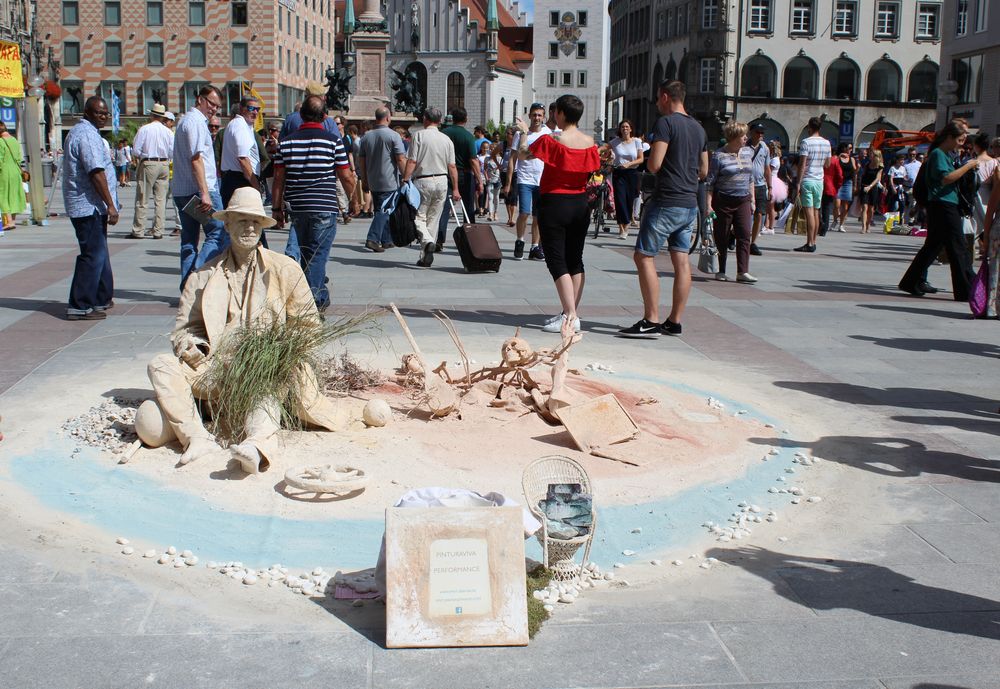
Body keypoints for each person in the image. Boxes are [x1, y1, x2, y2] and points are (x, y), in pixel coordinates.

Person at [147, 186, 343, 471]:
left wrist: (277, 353)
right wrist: (192, 346)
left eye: (255, 222)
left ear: (263, 227)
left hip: (265, 371)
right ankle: (197, 439)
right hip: (214, 370)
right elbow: (184, 330)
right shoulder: (202, 277)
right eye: (241, 220)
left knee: (265, 389)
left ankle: (257, 445)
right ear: (226, 225)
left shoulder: (285, 269)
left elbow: (309, 326)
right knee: (161, 365)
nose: (249, 228)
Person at [619, 80, 708, 338]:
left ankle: (651, 318)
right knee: (681, 261)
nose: (657, 103)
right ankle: (674, 321)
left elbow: (655, 164)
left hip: (667, 199)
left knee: (643, 256)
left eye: (658, 99)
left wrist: (652, 160)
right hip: (689, 203)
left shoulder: (666, 123)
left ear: (667, 97)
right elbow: (704, 171)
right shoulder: (698, 128)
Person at [513, 95, 599, 337]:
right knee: (575, 259)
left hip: (555, 203)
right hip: (580, 204)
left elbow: (522, 155)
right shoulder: (589, 142)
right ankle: (571, 313)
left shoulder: (552, 139)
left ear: (560, 113)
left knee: (556, 259)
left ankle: (570, 316)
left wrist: (522, 132)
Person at [271, 96, 357, 311]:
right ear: (324, 116)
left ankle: (315, 295)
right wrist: (354, 200)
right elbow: (346, 176)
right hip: (324, 207)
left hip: (298, 207)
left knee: (307, 255)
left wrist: (276, 209)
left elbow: (279, 179)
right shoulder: (333, 140)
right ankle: (314, 302)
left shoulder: (287, 142)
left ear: (301, 115)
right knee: (317, 256)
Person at [898, 121, 979, 299]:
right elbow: (946, 178)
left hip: (943, 204)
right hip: (943, 205)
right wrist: (968, 166)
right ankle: (965, 289)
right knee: (957, 247)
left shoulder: (944, 154)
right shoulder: (938, 154)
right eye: (960, 139)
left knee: (934, 246)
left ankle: (910, 281)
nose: (961, 143)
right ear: (949, 137)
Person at [62, 96, 119, 320]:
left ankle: (101, 297)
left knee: (99, 252)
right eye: (98, 113)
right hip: (88, 206)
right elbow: (95, 172)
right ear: (87, 112)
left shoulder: (87, 133)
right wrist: (111, 205)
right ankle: (80, 304)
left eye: (105, 113)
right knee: (92, 254)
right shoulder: (86, 135)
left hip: (92, 205)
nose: (103, 116)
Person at [172, 85, 229, 288]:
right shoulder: (195, 122)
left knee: (189, 241)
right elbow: (196, 160)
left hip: (182, 190)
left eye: (217, 106)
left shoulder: (184, 121)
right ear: (200, 99)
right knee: (218, 232)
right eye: (211, 103)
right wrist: (205, 193)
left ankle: (187, 286)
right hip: (198, 191)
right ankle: (194, 280)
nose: (214, 109)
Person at [400, 107, 461, 268]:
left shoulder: (419, 135)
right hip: (442, 180)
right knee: (433, 219)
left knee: (418, 216)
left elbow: (412, 161)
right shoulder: (446, 140)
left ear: (426, 119)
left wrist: (405, 179)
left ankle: (427, 242)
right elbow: (452, 166)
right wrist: (455, 188)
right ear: (439, 121)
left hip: (423, 180)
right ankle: (425, 254)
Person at [706, 121, 756, 283]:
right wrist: (708, 205)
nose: (746, 138)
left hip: (743, 199)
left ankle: (743, 271)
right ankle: (720, 270)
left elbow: (751, 178)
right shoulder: (719, 155)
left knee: (744, 234)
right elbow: (710, 183)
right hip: (723, 200)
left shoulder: (748, 152)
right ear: (734, 137)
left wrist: (752, 199)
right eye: (743, 136)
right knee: (722, 235)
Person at [357, 106, 406, 252]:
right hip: (389, 179)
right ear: (388, 117)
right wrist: (406, 177)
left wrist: (365, 179)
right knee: (384, 210)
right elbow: (400, 159)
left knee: (381, 208)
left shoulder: (366, 137)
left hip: (373, 179)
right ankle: (372, 238)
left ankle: (386, 240)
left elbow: (362, 161)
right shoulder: (393, 136)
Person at [506, 103, 551, 260]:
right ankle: (520, 241)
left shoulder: (548, 133)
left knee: (538, 216)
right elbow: (513, 158)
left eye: (539, 115)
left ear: (544, 117)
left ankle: (535, 247)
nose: (537, 118)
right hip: (525, 178)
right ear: (529, 116)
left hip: (542, 179)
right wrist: (508, 181)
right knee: (524, 212)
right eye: (534, 115)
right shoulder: (521, 134)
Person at [436, 107, 482, 250]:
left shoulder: (443, 134)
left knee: (444, 208)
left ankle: (439, 239)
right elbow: (473, 160)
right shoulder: (468, 136)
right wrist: (480, 180)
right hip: (465, 173)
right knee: (468, 207)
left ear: (452, 119)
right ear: (466, 119)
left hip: (446, 173)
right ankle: (471, 239)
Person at [129, 103, 174, 239]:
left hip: (148, 163)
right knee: (160, 200)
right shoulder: (168, 131)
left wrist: (143, 155)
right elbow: (172, 151)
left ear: (151, 115)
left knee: (143, 198)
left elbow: (136, 150)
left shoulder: (145, 129)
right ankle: (158, 230)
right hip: (164, 163)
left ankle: (138, 230)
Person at [794, 117, 832, 252]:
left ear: (809, 127)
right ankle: (813, 241)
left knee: (809, 212)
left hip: (808, 180)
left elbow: (802, 164)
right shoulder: (827, 143)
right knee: (816, 212)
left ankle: (809, 243)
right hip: (819, 180)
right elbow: (827, 164)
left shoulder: (806, 142)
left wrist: (797, 183)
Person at [220, 97, 262, 206]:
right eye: (251, 108)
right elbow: (243, 159)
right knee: (243, 221)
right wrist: (256, 187)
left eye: (257, 109)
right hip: (240, 181)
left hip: (235, 179)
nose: (255, 112)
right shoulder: (240, 126)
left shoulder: (239, 125)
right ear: (242, 109)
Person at [609, 120, 644, 240]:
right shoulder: (615, 142)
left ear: (631, 129)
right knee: (619, 199)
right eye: (622, 127)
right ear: (620, 129)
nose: (625, 129)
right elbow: (605, 148)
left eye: (627, 127)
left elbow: (640, 159)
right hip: (619, 173)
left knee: (629, 199)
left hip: (632, 173)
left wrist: (629, 164)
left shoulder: (637, 142)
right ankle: (621, 227)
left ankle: (627, 224)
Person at [748, 123, 771, 255]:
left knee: (760, 213)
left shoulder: (765, 148)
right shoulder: (744, 147)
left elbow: (767, 168)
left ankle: (753, 242)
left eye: (762, 132)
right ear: (751, 132)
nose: (760, 134)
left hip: (760, 185)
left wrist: (770, 186)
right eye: (758, 132)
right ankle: (735, 234)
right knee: (746, 213)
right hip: (745, 185)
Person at [0, 121, 27, 233]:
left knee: (2, 196)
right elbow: (19, 157)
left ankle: (9, 222)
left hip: (5, 172)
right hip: (16, 172)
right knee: (13, 195)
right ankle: (13, 221)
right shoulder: (14, 140)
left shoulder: (1, 141)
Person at [501, 128, 518, 227]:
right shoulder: (503, 145)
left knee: (514, 195)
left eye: (509, 133)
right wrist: (499, 165)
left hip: (516, 173)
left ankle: (513, 218)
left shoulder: (518, 145)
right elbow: (493, 154)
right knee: (507, 194)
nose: (507, 135)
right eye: (506, 133)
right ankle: (509, 216)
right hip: (504, 172)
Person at [887, 154, 908, 220]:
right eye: (901, 160)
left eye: (903, 160)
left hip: (901, 188)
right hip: (894, 187)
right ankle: (890, 221)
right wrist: (892, 187)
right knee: (893, 205)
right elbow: (891, 178)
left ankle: (900, 220)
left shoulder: (903, 168)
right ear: (897, 160)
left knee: (902, 205)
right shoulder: (892, 168)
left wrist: (907, 180)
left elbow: (904, 177)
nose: (902, 161)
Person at [485, 144, 502, 222]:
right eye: (490, 149)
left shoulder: (500, 159)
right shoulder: (487, 158)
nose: (491, 150)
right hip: (490, 180)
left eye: (493, 149)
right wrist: (486, 177)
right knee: (490, 197)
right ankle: (490, 214)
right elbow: (484, 169)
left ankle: (496, 213)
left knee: (496, 197)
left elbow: (502, 169)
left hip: (497, 180)